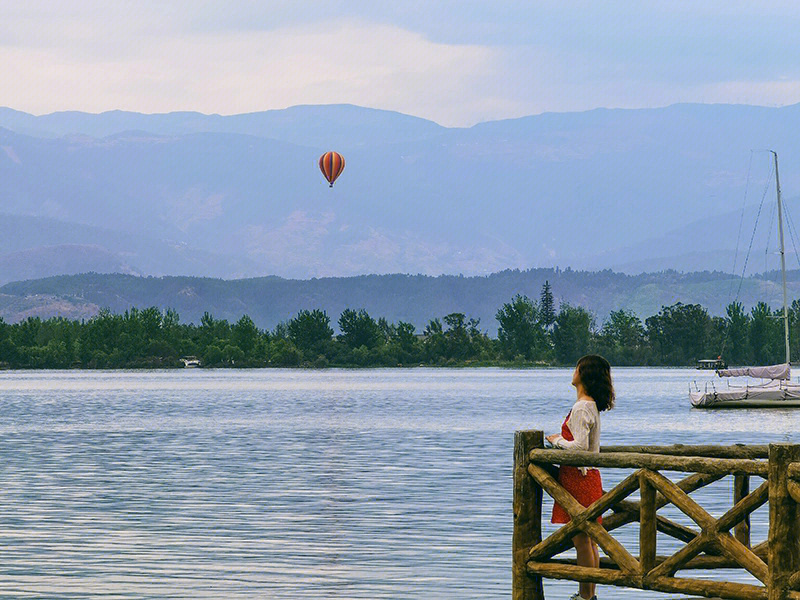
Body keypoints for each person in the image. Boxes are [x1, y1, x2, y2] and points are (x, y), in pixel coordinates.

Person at [546, 354, 615, 600]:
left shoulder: (582, 406)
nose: (572, 371)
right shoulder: (591, 406)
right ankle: (589, 593)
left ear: (583, 374)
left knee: (582, 540)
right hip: (590, 477)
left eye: (576, 367)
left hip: (578, 478)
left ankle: (585, 596)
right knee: (589, 539)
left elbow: (579, 448)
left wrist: (556, 441)